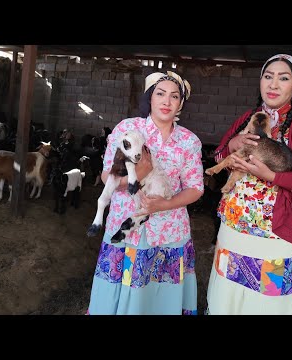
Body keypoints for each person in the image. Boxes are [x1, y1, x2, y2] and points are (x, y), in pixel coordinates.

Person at [206, 54, 292, 315]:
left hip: (278, 238)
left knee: (270, 306)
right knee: (228, 303)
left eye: (283, 78)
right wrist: (232, 144)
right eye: (268, 77)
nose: (273, 85)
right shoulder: (248, 118)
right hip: (233, 232)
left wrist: (273, 176)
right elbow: (220, 155)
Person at [87, 71, 204, 315]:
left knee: (159, 299)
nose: (166, 101)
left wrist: (164, 204)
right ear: (150, 97)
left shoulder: (189, 141)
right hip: (125, 225)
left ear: (181, 103)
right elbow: (107, 175)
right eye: (160, 94)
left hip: (169, 229)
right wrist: (138, 175)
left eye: (174, 96)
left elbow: (195, 188)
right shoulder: (128, 129)